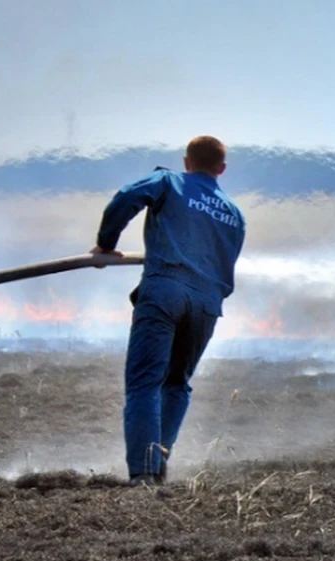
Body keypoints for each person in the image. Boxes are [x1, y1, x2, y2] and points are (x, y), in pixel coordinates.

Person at [92, 136, 246, 486]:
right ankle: (158, 464)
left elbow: (126, 197)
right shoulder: (234, 214)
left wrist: (106, 245)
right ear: (221, 170)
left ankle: (144, 472)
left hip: (165, 291)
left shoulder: (169, 180)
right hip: (207, 305)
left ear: (186, 162)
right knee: (176, 383)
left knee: (146, 381)